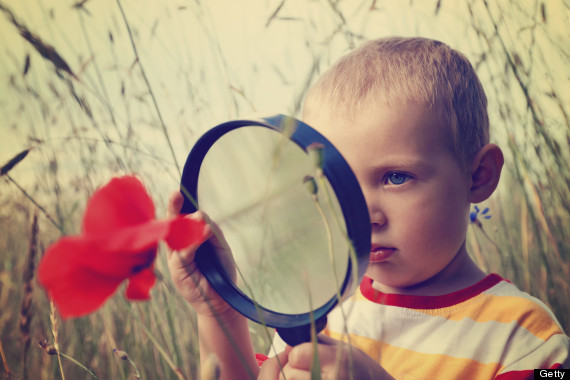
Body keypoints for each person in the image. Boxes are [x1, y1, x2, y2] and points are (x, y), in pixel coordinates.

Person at [166, 37, 569, 379]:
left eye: (395, 177)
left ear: (478, 175)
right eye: (333, 185)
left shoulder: (527, 339)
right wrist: (218, 311)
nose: (360, 215)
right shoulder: (320, 309)